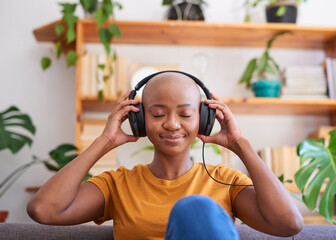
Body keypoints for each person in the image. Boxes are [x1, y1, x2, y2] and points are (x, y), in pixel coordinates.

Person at [27, 71, 303, 239]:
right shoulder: (117, 184)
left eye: (185, 114)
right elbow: (43, 210)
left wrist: (239, 142)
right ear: (139, 119)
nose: (172, 124)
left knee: (196, 209)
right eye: (158, 114)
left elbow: (289, 224)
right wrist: (105, 140)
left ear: (205, 119)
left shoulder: (225, 181)